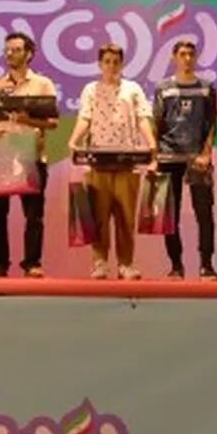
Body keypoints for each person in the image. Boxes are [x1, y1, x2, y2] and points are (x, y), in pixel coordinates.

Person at [68, 43, 157, 280]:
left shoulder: (132, 89)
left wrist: (152, 146)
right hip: (98, 160)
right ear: (100, 64)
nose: (111, 66)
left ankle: (126, 264)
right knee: (98, 216)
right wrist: (74, 140)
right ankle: (100, 262)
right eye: (107, 61)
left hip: (127, 160)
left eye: (116, 61)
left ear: (122, 64)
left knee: (125, 217)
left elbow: (142, 118)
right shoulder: (91, 89)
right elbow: (85, 117)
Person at [0, 32, 59, 278]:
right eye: (7, 50)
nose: (10, 54)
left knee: (33, 215)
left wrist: (29, 120)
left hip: (30, 154)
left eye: (15, 50)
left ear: (29, 54)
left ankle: (32, 263)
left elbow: (53, 123)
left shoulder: (42, 84)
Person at [152, 40, 217, 280]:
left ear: (196, 57)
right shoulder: (163, 88)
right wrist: (154, 157)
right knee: (170, 216)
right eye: (182, 54)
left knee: (205, 213)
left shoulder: (206, 88)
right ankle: (176, 266)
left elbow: (212, 123)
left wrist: (206, 153)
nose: (187, 58)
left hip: (197, 158)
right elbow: (156, 123)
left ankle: (206, 266)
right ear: (174, 58)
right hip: (168, 156)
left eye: (191, 54)